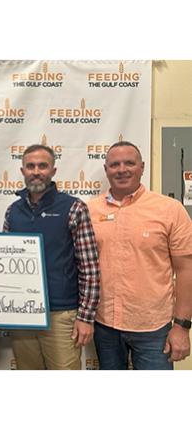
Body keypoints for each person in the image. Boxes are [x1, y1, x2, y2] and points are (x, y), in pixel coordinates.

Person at [87, 141, 192, 370]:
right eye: (114, 164)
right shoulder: (89, 211)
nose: (122, 169)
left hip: (153, 328)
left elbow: (186, 270)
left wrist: (181, 326)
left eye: (129, 163)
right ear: (106, 170)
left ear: (142, 167)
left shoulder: (170, 210)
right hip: (104, 325)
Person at [3, 144, 100, 369]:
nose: (36, 171)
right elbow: (5, 266)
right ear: (23, 171)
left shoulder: (74, 208)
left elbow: (90, 268)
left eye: (43, 166)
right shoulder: (12, 211)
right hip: (23, 314)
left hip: (61, 315)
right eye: (30, 166)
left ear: (53, 171)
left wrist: (86, 317)